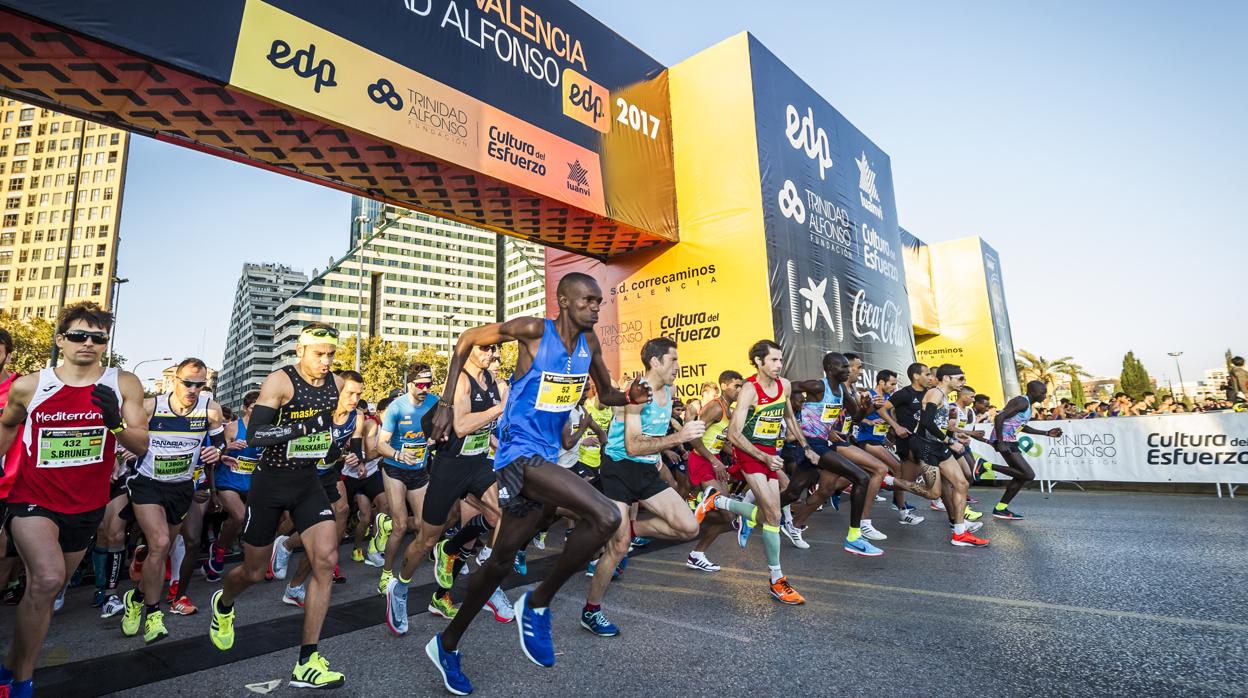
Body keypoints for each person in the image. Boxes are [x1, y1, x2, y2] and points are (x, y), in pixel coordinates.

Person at [423, 272, 648, 696]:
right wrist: (443, 400)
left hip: (547, 457)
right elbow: (469, 338)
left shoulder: (590, 345)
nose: (596, 308)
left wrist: (630, 396)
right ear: (563, 301)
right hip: (517, 455)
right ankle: (539, 603)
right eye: (588, 301)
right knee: (605, 515)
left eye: (599, 301)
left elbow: (608, 394)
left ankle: (446, 645)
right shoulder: (532, 331)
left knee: (499, 564)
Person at [0, 302, 149, 698]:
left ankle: (10, 662)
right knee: (46, 579)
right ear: (60, 339)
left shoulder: (124, 383)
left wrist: (115, 422)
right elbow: (8, 426)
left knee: (47, 592)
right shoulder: (30, 385)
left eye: (98, 338)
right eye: (79, 335)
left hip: (85, 506)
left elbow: (142, 444)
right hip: (32, 500)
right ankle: (21, 684)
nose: (88, 343)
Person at [206, 322, 347, 689]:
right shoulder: (280, 381)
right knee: (253, 572)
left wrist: (330, 446)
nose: (326, 361)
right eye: (319, 354)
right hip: (269, 485)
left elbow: (324, 432)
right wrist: (302, 429)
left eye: (331, 354)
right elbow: (257, 434)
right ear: (300, 351)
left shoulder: (333, 385)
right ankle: (224, 604)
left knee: (326, 561)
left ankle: (307, 660)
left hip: (306, 482)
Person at [581, 337, 705, 635]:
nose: (678, 365)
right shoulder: (637, 394)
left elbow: (653, 438)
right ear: (656, 362)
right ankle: (591, 611)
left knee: (689, 527)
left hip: (648, 470)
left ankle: (632, 529)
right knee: (619, 547)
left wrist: (664, 453)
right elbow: (633, 446)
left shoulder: (671, 390)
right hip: (619, 470)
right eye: (673, 360)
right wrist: (679, 438)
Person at [386, 343, 510, 635]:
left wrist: (503, 449)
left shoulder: (492, 381)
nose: (491, 354)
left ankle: (487, 583)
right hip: (450, 467)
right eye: (484, 348)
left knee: (505, 516)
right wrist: (500, 407)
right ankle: (400, 586)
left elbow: (484, 432)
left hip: (478, 464)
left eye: (494, 349)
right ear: (468, 352)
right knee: (426, 540)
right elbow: (464, 425)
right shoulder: (461, 380)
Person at [694, 339, 810, 604]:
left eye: (780, 360)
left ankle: (719, 500)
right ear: (758, 361)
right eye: (773, 360)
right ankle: (777, 580)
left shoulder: (785, 385)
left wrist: (806, 446)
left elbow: (789, 417)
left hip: (770, 453)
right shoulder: (749, 389)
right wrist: (764, 458)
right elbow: (734, 434)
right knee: (773, 515)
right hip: (749, 453)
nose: (779, 365)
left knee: (774, 512)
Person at [120, 357, 225, 639]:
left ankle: (137, 597)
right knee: (161, 542)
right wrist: (130, 447)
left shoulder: (211, 410)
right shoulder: (152, 406)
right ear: (175, 381)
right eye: (187, 382)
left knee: (160, 551)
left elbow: (219, 443)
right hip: (147, 484)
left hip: (181, 487)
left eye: (199, 384)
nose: (192, 389)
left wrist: (217, 452)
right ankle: (154, 614)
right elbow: (127, 434)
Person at [281, 371, 367, 607]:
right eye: (349, 393)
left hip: (329, 472)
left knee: (341, 512)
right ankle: (285, 545)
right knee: (316, 529)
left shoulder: (357, 417)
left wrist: (355, 460)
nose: (354, 399)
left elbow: (356, 449)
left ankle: (297, 583)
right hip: (304, 473)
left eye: (358, 394)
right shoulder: (318, 413)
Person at [902, 364, 988, 547]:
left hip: (939, 446)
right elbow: (926, 423)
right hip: (925, 447)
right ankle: (891, 481)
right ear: (947, 378)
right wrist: (950, 442)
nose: (963, 382)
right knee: (934, 493)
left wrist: (955, 436)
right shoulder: (935, 393)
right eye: (960, 378)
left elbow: (939, 425)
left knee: (962, 483)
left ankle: (959, 533)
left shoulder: (945, 396)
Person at [374, 365, 438, 597]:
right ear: (409, 383)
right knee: (401, 525)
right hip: (395, 468)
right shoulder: (396, 407)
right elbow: (380, 445)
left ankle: (385, 525)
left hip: (419, 470)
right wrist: (399, 454)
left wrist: (435, 440)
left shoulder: (435, 402)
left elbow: (441, 428)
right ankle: (387, 573)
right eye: (420, 384)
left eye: (428, 384)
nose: (424, 389)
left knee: (423, 525)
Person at [684, 370, 743, 572]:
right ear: (724, 385)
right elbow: (693, 437)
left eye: (741, 386)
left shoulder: (728, 409)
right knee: (726, 512)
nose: (740, 390)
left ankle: (697, 553)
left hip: (713, 459)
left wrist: (732, 456)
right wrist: (712, 460)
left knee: (727, 517)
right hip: (701, 459)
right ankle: (686, 517)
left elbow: (718, 440)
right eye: (736, 386)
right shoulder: (716, 408)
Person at [980, 380, 1063, 521]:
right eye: (1042, 392)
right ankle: (985, 466)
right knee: (1028, 474)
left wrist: (1046, 433)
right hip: (1005, 441)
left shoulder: (1027, 406)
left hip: (1010, 440)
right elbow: (999, 417)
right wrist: (1000, 441)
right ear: (1032, 392)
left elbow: (1021, 426)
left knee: (1021, 476)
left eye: (1045, 393)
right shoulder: (1021, 402)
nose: (1044, 395)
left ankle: (1000, 508)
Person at [854, 370, 924, 526]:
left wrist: (886, 438)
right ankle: (900, 509)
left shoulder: (888, 400)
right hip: (865, 440)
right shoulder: (867, 395)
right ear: (881, 382)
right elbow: (855, 416)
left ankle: (897, 505)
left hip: (878, 440)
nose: (894, 387)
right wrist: (868, 422)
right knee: (896, 468)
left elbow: (885, 419)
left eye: (895, 384)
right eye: (891, 384)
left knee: (839, 481)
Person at [205, 390, 262, 582]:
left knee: (254, 520)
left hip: (251, 482)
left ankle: (258, 560)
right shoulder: (231, 428)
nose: (257, 411)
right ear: (245, 408)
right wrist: (228, 447)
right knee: (239, 516)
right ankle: (219, 550)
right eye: (254, 407)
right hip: (228, 480)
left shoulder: (266, 429)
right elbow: (217, 452)